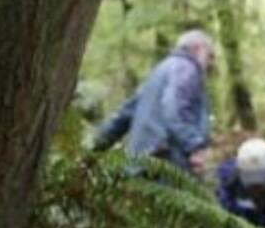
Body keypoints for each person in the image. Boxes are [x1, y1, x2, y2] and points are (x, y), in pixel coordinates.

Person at [92, 29, 216, 173]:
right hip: (165, 163)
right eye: (209, 55)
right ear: (197, 48)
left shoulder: (159, 71)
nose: (210, 62)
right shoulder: (187, 68)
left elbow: (125, 113)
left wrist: (95, 145)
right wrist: (195, 145)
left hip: (137, 165)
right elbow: (173, 108)